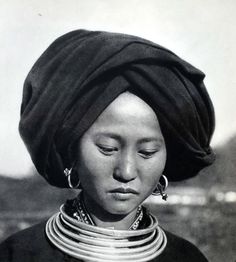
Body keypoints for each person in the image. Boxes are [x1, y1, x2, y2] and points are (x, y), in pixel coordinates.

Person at [0, 29, 215, 261]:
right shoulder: (19, 255)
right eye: (108, 148)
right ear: (72, 149)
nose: (126, 171)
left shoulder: (185, 258)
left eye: (147, 152)